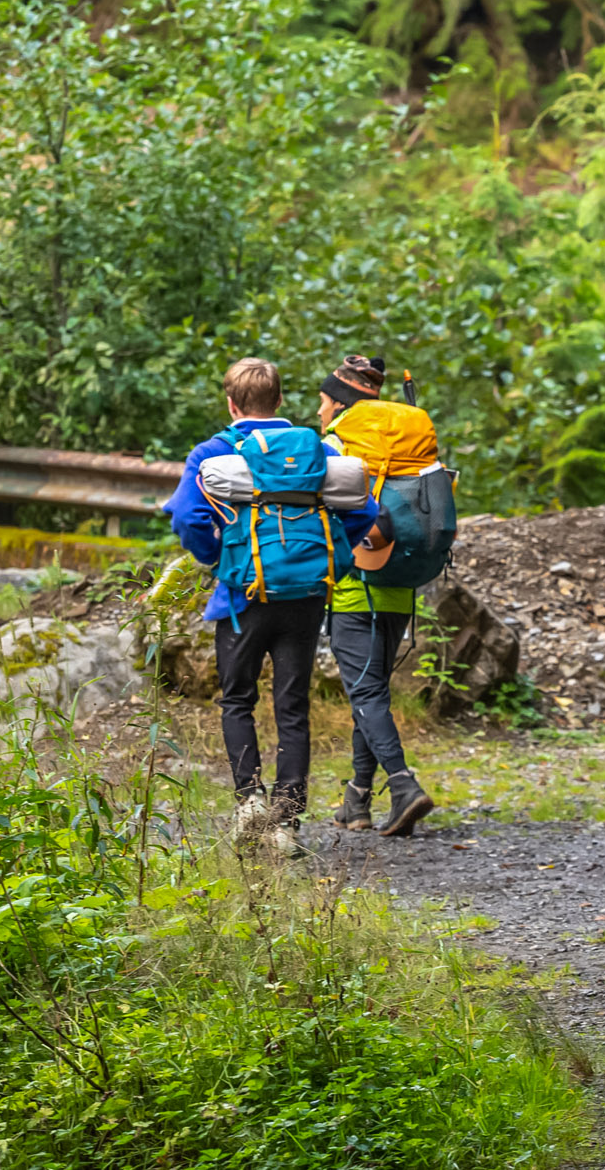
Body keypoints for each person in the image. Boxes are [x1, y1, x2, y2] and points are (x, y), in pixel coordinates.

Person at [161, 357, 377, 854]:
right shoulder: (316, 449)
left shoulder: (213, 451)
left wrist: (220, 558)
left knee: (238, 699)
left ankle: (250, 801)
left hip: (243, 597)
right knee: (292, 706)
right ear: (280, 399)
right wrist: (329, 556)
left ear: (231, 404)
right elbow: (365, 509)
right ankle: (286, 825)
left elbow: (187, 518)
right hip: (306, 596)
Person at [318, 356, 438, 836]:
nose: (320, 411)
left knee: (366, 693)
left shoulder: (338, 443)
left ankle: (403, 784)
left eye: (323, 402)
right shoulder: (399, 441)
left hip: (356, 588)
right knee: (371, 694)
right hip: (400, 586)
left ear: (338, 402)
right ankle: (358, 799)